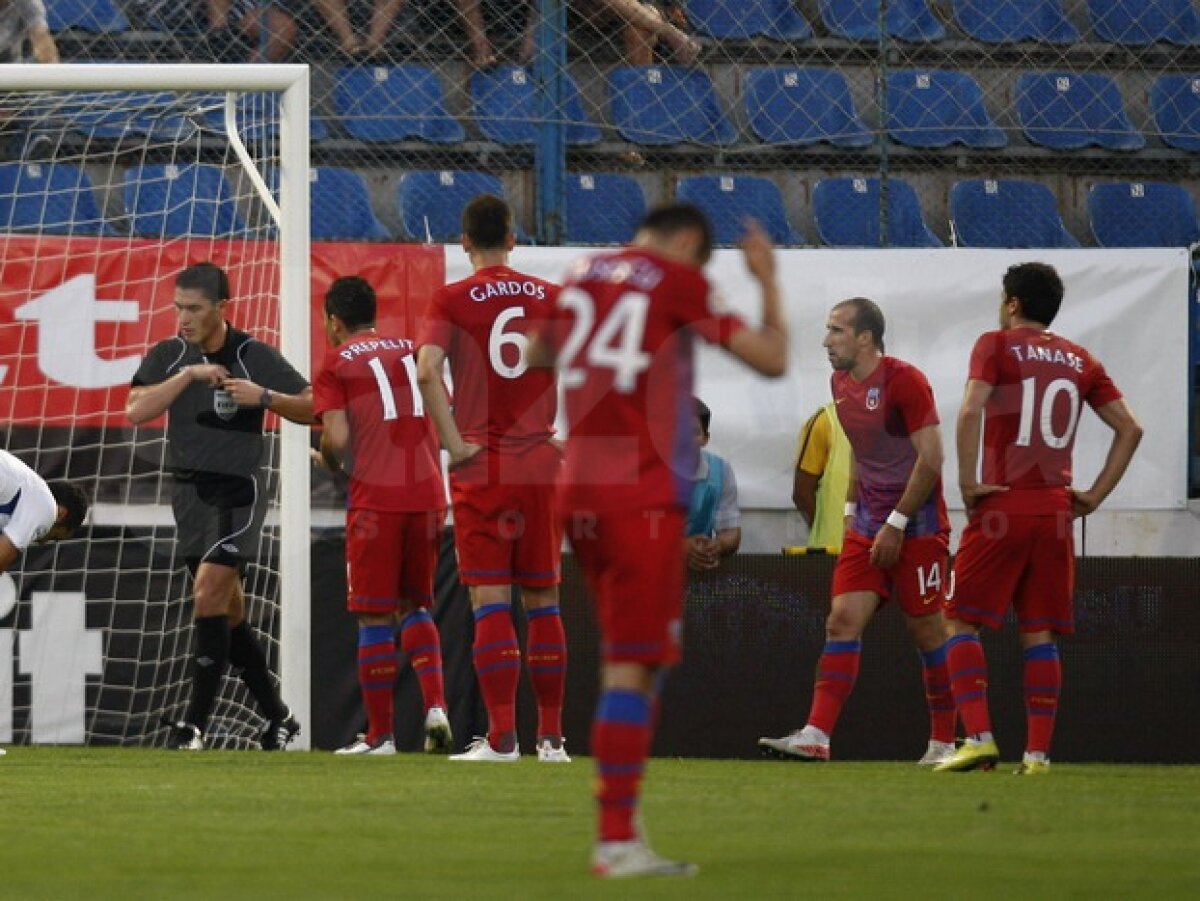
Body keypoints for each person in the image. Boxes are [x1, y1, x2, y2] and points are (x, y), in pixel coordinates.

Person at [533, 204, 788, 877]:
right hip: (637, 493)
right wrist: (766, 280)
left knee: (630, 656)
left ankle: (623, 829)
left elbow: (538, 352)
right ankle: (616, 840)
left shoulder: (581, 270)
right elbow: (772, 357)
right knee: (633, 663)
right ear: (686, 242)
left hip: (577, 484)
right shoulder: (674, 278)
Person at [935, 263, 1142, 775]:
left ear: (1012, 303)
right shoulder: (1080, 358)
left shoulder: (995, 345)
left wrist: (967, 481)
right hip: (1054, 511)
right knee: (1040, 631)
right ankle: (1038, 756)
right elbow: (1131, 430)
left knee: (958, 620)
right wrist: (1093, 495)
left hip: (1003, 503)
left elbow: (968, 411)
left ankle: (979, 738)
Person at [758, 298, 956, 767]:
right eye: (828, 331)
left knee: (928, 632)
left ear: (866, 337)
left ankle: (944, 743)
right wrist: (852, 513)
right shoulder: (840, 384)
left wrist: (897, 523)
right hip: (868, 528)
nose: (826, 341)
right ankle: (816, 736)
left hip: (918, 529)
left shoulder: (905, 381)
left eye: (836, 331)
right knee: (840, 621)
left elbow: (931, 459)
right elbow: (863, 454)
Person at [126, 262, 313, 751]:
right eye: (178, 308)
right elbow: (135, 410)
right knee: (228, 616)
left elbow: (316, 406)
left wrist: (266, 397)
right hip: (188, 496)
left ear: (222, 309)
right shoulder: (170, 355)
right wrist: (188, 376)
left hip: (237, 494)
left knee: (208, 595)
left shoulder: (253, 355)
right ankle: (278, 718)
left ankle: (193, 727)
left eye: (194, 309)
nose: (183, 318)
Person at [416, 194, 569, 763]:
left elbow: (427, 370)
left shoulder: (451, 299)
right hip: (538, 463)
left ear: (462, 242)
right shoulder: (551, 298)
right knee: (544, 599)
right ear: (513, 238)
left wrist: (454, 444)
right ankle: (552, 740)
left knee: (491, 601)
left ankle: (503, 738)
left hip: (484, 464)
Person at [314, 276, 453, 756]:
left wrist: (328, 460)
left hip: (378, 501)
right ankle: (436, 707)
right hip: (430, 495)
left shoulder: (334, 362)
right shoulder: (414, 350)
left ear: (334, 321)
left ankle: (380, 737)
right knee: (415, 606)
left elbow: (336, 440)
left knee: (374, 615)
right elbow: (443, 410)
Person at [0, 450, 88, 758]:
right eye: (55, 538)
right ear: (62, 515)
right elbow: (6, 553)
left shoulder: (16, 493)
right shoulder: (45, 506)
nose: (45, 541)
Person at [684, 397, 740, 572]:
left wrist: (717, 546)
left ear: (705, 439)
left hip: (700, 569)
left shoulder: (721, 470)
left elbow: (731, 532)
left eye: (693, 433)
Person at [792, 401, 852, 553]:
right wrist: (824, 529)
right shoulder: (826, 420)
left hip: (887, 556)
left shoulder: (902, 420)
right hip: (833, 555)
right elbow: (802, 494)